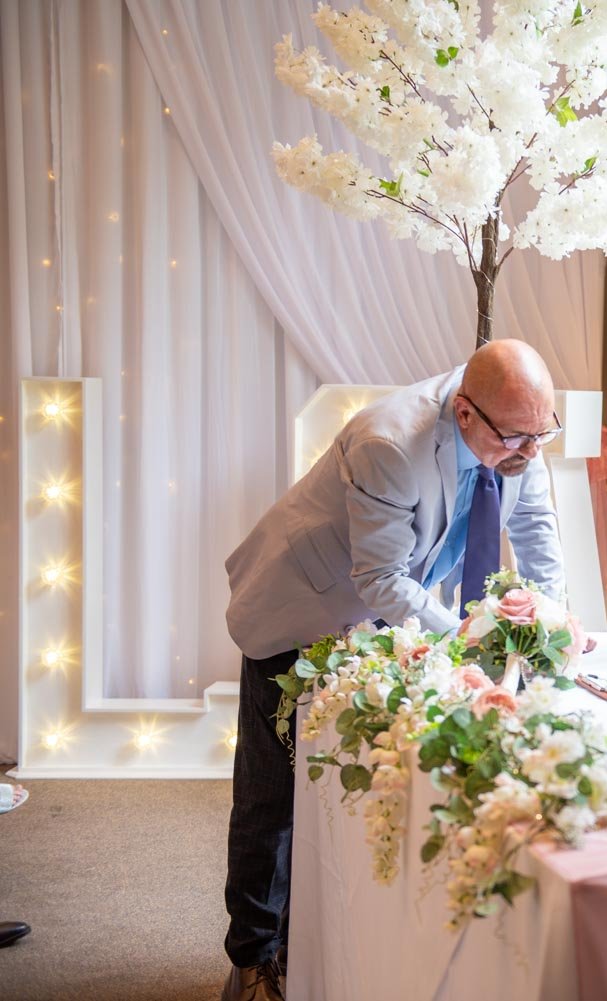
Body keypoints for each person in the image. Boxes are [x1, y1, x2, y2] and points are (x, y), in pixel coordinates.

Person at [220, 340, 572, 1001]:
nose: (531, 453)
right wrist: (472, 642)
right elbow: (379, 578)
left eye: (543, 431)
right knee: (275, 790)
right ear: (465, 413)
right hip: (303, 601)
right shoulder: (389, 440)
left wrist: (551, 630)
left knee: (347, 782)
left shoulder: (517, 432)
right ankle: (253, 958)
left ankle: (316, 940)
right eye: (518, 438)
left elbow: (538, 541)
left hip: (385, 617)